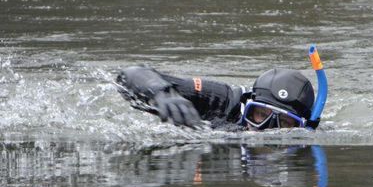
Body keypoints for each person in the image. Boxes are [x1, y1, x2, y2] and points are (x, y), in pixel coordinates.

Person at [115, 65, 321, 131]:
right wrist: (162, 94)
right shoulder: (219, 100)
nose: (266, 131)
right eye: (259, 115)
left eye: (284, 123)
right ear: (246, 105)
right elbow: (130, 74)